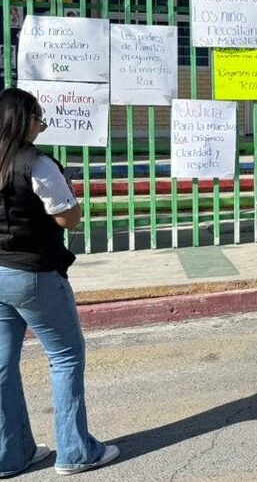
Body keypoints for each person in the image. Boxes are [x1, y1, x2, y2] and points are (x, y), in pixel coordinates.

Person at [0, 87, 120, 477]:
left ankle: (11, 454)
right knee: (65, 356)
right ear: (24, 120)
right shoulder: (37, 164)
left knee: (2, 364)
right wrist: (74, 202)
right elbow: (68, 218)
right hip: (34, 273)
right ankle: (75, 451)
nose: (41, 126)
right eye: (39, 119)